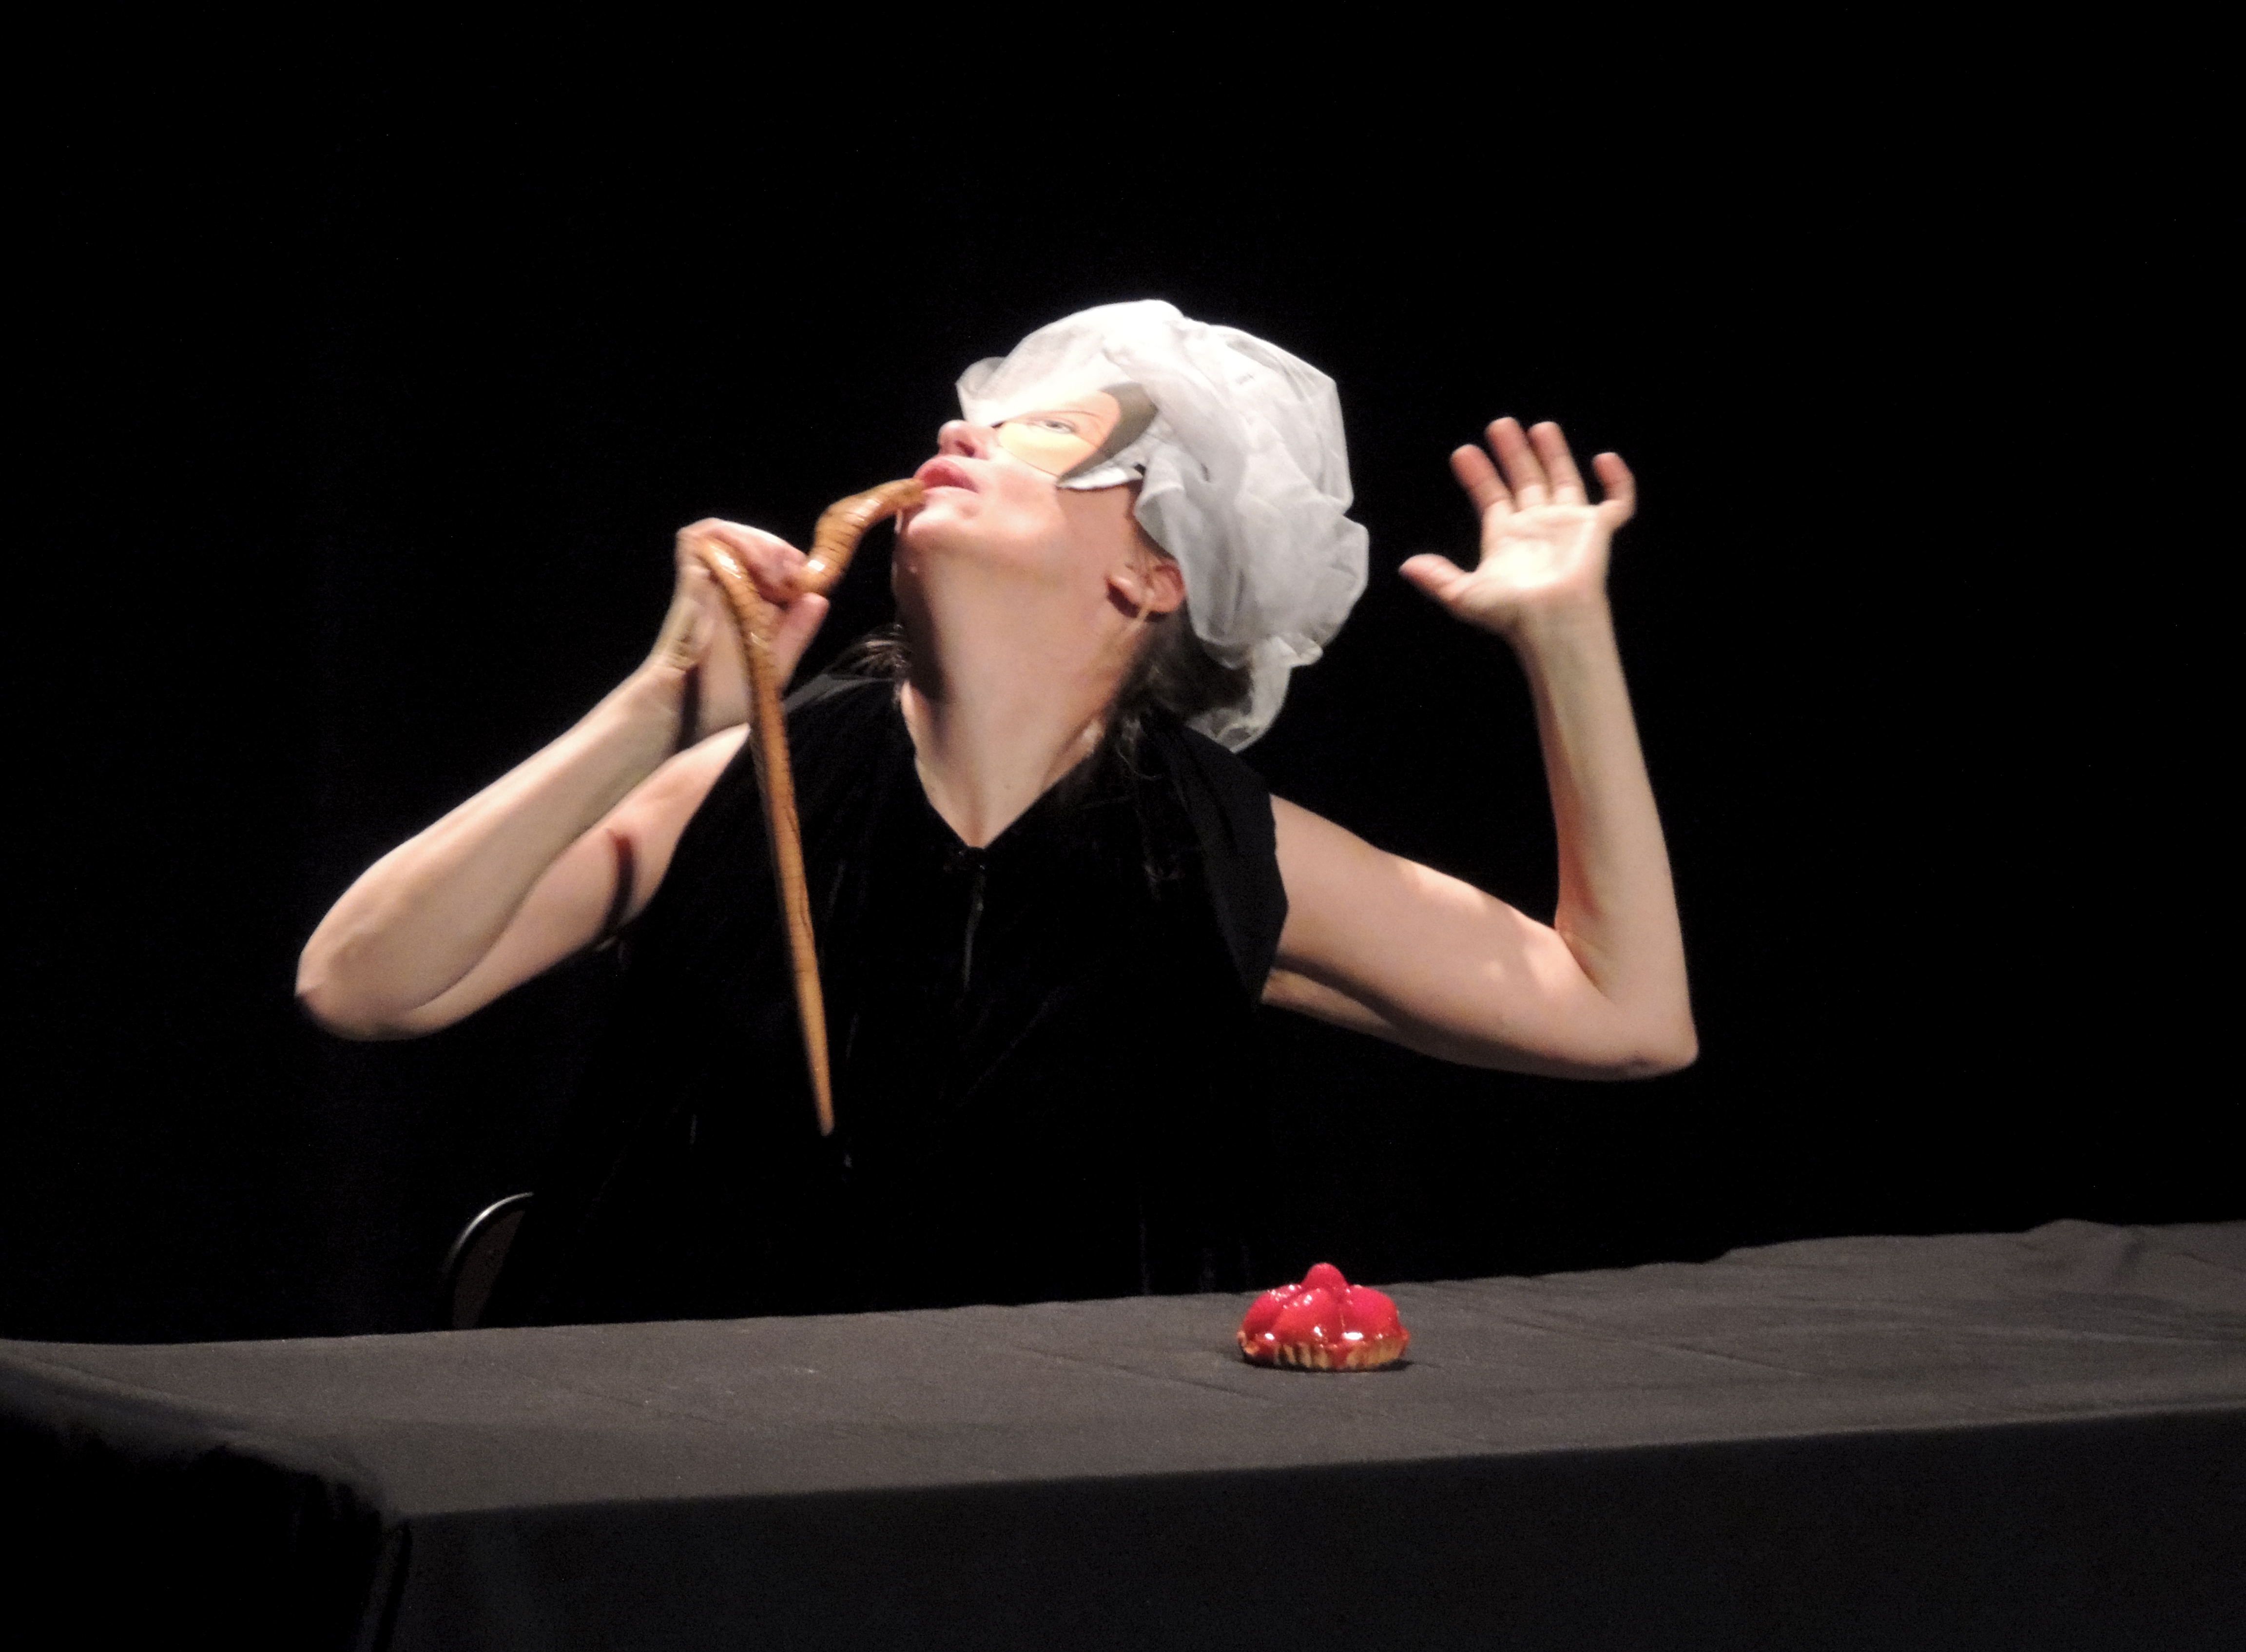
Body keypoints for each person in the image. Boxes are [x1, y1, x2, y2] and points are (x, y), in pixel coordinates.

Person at [297, 302, 1696, 1324]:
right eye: (984, 416)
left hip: (1035, 1527)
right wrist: (656, 709)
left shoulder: (1216, 849)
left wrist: (1566, 640)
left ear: (1157, 574)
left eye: (1054, 439)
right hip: (672, 1505)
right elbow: (360, 985)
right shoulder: (741, 779)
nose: (961, 434)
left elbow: (1628, 1017)